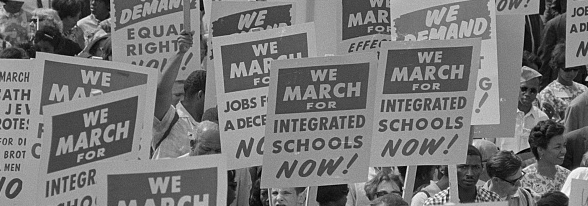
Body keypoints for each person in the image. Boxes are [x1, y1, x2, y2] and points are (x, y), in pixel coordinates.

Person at [152, 30, 207, 159]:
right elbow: (161, 91)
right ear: (200, 95)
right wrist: (180, 53)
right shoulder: (171, 119)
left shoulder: (210, 125)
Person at [424, 145, 501, 205]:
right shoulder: (435, 203)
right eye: (463, 167)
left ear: (482, 169)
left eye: (475, 167)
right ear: (453, 169)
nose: (470, 173)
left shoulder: (494, 200)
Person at [497, 66, 549, 153]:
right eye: (524, 89)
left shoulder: (542, 118)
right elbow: (489, 145)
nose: (528, 94)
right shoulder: (500, 114)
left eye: (533, 91)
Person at [537, 44, 588, 122]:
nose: (571, 73)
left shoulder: (584, 89)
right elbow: (549, 123)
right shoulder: (548, 93)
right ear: (557, 66)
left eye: (575, 69)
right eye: (567, 69)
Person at [520, 120, 570, 196]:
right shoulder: (524, 179)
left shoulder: (568, 176)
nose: (564, 151)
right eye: (557, 147)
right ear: (540, 149)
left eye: (564, 146)